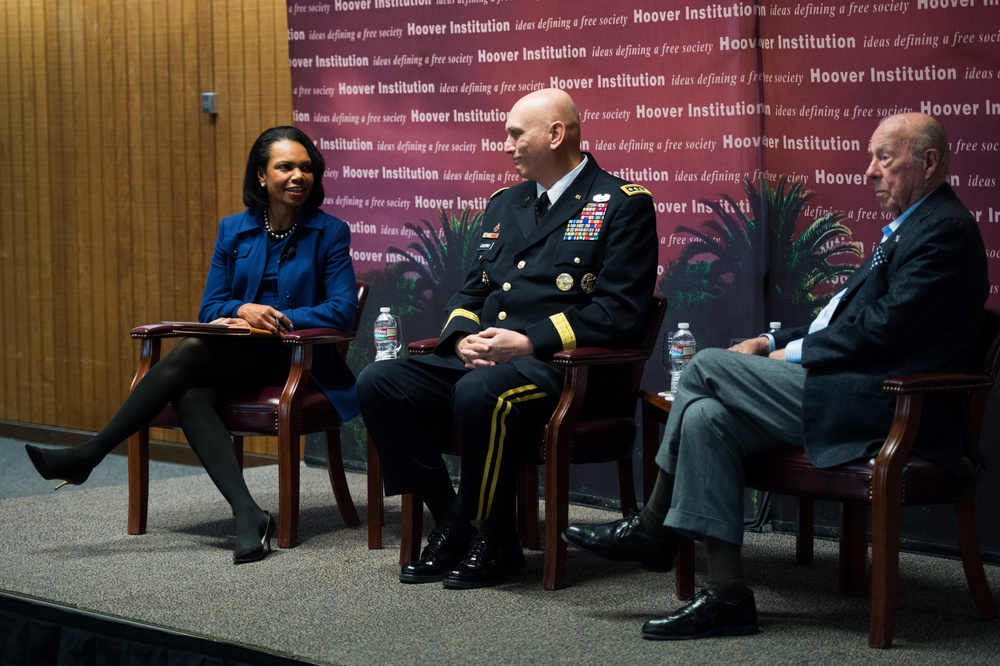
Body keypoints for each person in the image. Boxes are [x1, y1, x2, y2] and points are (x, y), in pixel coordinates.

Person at [564, 112, 989, 639]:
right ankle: (727, 595)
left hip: (891, 407)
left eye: (885, 157)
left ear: (929, 161)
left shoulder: (943, 230)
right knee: (705, 417)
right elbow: (839, 320)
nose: (870, 171)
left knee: (708, 365)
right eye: (870, 157)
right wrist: (770, 342)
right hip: (852, 393)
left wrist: (785, 357)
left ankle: (653, 528)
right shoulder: (910, 229)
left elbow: (885, 332)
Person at [357, 88, 658, 589]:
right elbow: (471, 292)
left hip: (563, 370)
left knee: (480, 392)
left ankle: (495, 538)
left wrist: (526, 341)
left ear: (555, 134)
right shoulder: (505, 203)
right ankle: (451, 521)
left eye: (517, 134)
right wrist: (461, 340)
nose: (507, 145)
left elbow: (619, 312)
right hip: (490, 360)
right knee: (379, 381)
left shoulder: (621, 203)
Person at [25, 126, 359, 565]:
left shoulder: (330, 232)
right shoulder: (233, 230)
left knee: (192, 351)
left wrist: (279, 316)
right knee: (191, 393)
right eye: (285, 167)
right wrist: (242, 308)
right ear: (261, 175)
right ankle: (249, 514)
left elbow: (342, 311)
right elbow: (211, 306)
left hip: (297, 358)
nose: (299, 176)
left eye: (306, 167)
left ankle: (90, 453)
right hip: (239, 354)